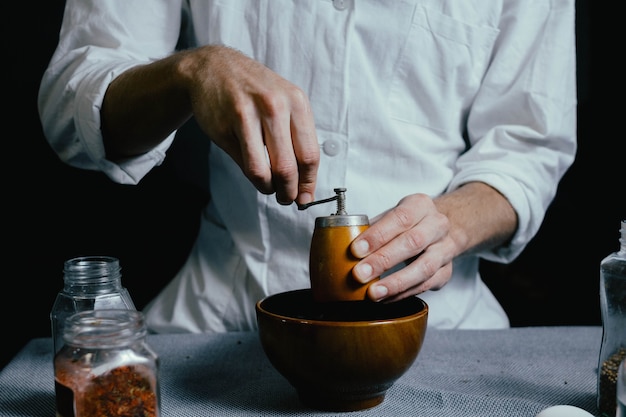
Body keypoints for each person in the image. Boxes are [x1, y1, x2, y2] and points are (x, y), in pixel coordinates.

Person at [38, 0, 577, 332]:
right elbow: (70, 110)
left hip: (441, 326)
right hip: (224, 313)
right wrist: (191, 71)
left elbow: (528, 146)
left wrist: (452, 223)